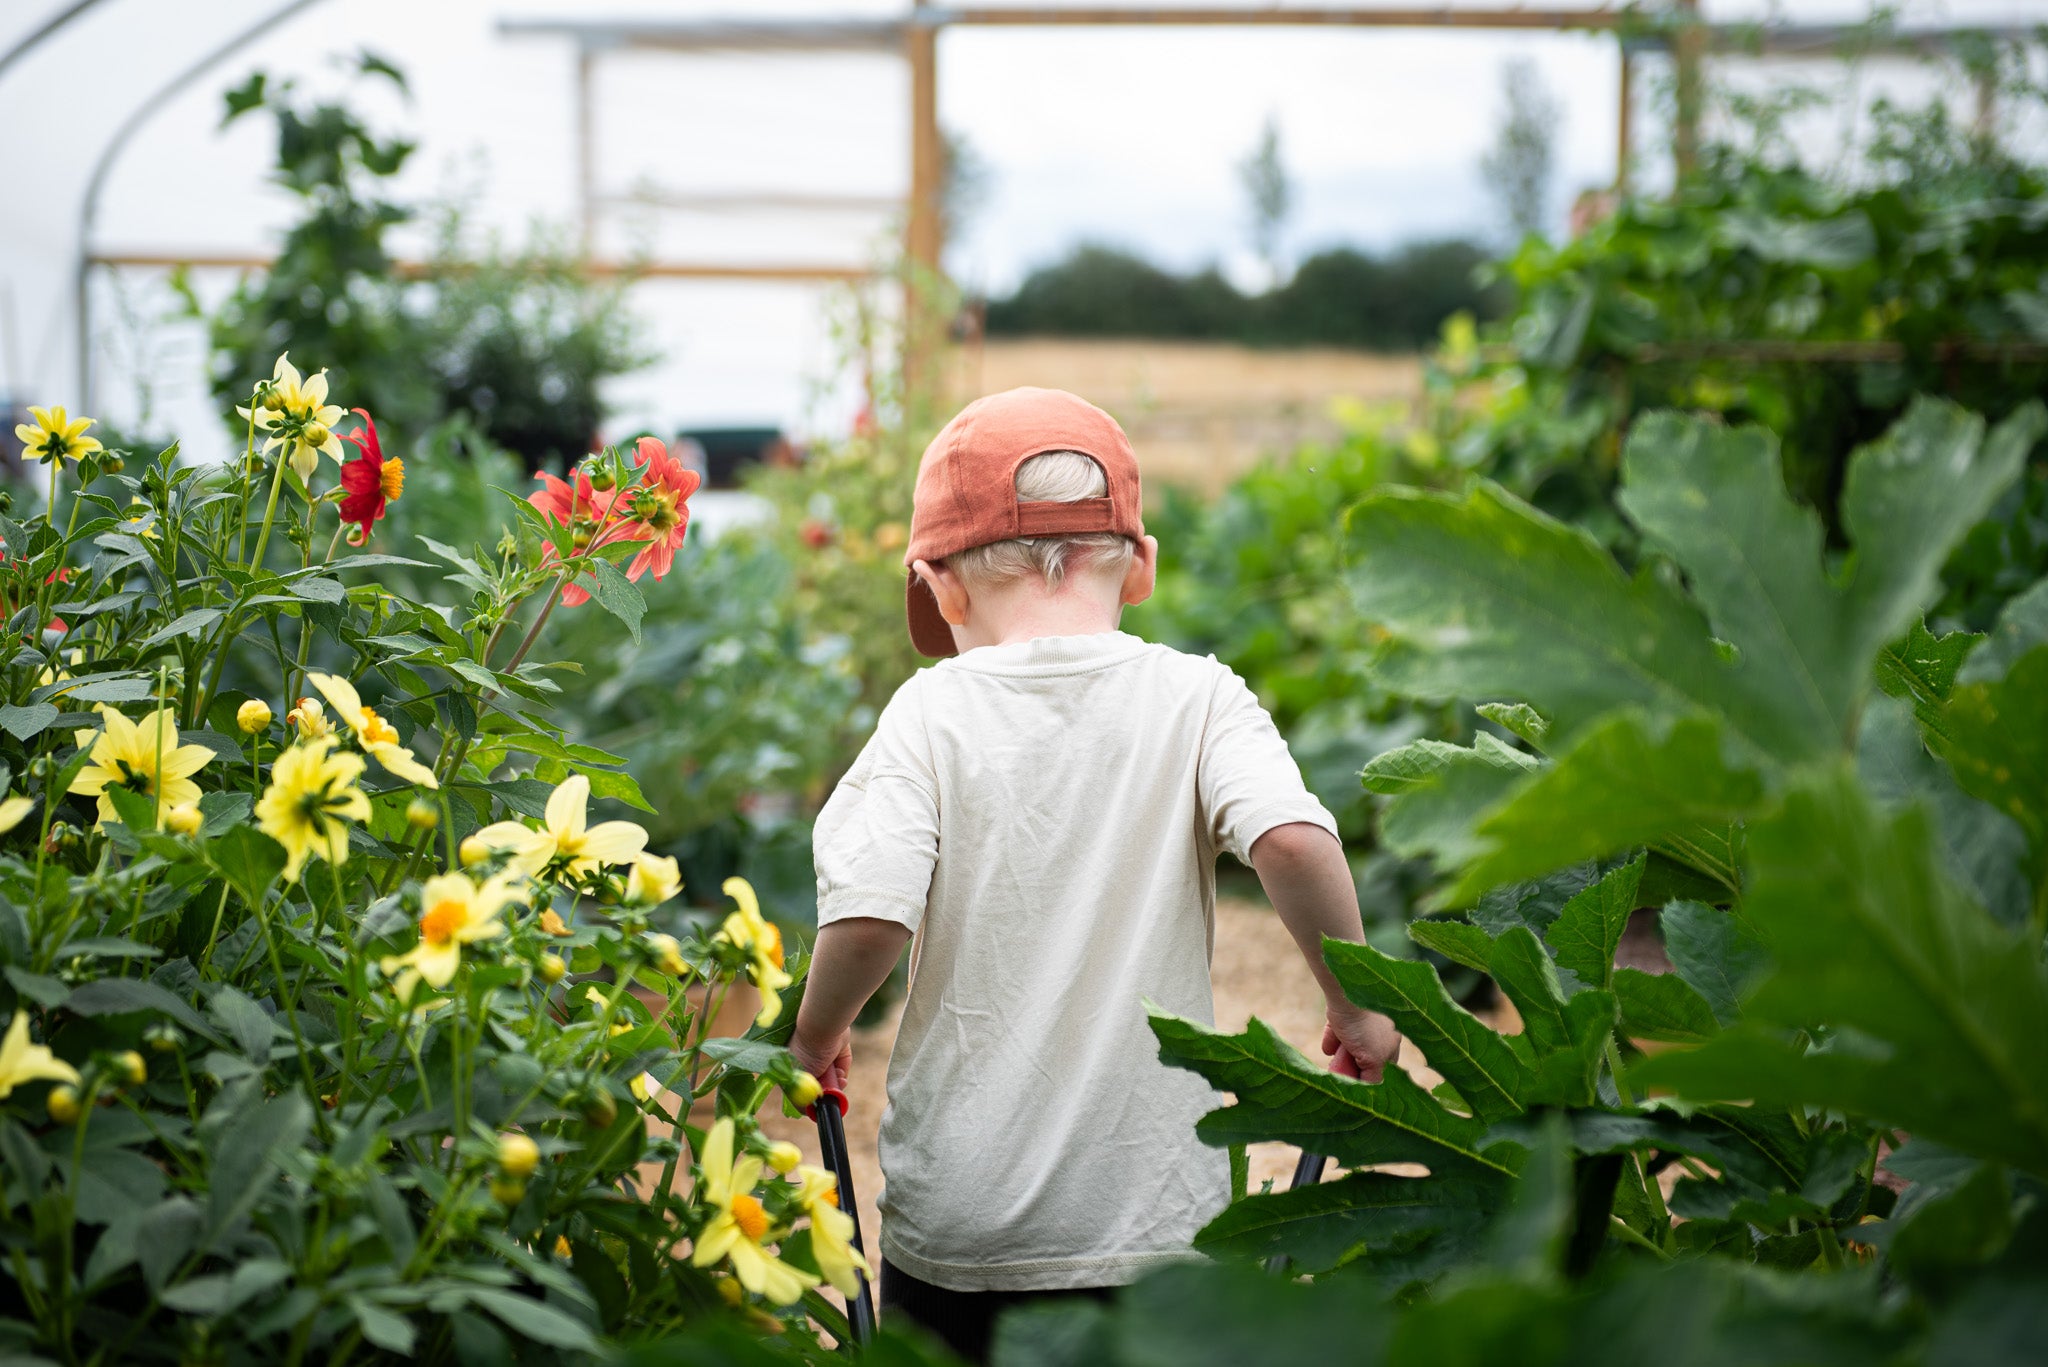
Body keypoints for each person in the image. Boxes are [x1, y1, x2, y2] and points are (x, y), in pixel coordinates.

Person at [788, 387, 1400, 1363]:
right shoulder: (1198, 696)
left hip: (962, 1226)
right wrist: (1356, 1002)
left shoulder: (928, 711)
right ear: (1139, 563)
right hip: (1159, 1214)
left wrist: (814, 1033)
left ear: (939, 587)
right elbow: (1290, 841)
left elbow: (870, 916)